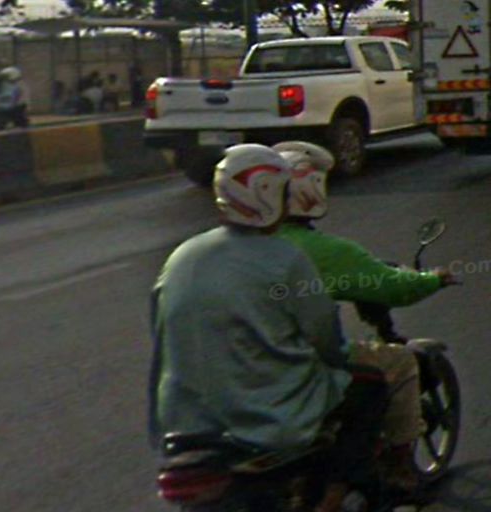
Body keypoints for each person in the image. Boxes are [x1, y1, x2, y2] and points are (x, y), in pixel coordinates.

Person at [148, 143, 388, 512]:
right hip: (266, 414)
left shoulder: (181, 256)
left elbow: (161, 329)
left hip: (182, 418)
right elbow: (325, 337)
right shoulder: (285, 258)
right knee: (370, 386)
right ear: (273, 196)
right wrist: (336, 361)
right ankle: (336, 492)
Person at [272, 140, 456, 493]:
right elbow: (393, 287)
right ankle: (399, 465)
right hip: (300, 364)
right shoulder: (325, 250)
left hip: (240, 367)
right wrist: (433, 279)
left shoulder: (213, 251)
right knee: (400, 361)